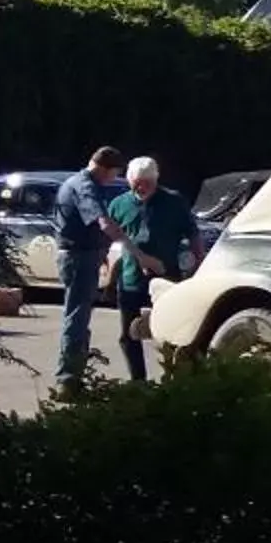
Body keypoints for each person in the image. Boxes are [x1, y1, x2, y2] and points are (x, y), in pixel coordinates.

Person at [107, 156, 198, 383]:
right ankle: (138, 382)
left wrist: (198, 263)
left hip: (167, 275)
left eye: (147, 181)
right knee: (129, 334)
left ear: (156, 180)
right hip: (130, 277)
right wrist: (107, 272)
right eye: (137, 182)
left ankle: (173, 378)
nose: (142, 187)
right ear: (129, 181)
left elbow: (193, 234)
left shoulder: (174, 202)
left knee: (171, 331)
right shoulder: (119, 204)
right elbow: (109, 240)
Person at [52, 147, 129, 388]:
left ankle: (75, 373)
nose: (114, 178)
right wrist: (130, 245)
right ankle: (68, 378)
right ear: (103, 168)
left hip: (82, 254)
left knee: (78, 314)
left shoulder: (76, 182)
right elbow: (102, 221)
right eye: (115, 173)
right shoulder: (85, 186)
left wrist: (103, 249)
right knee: (77, 316)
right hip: (79, 258)